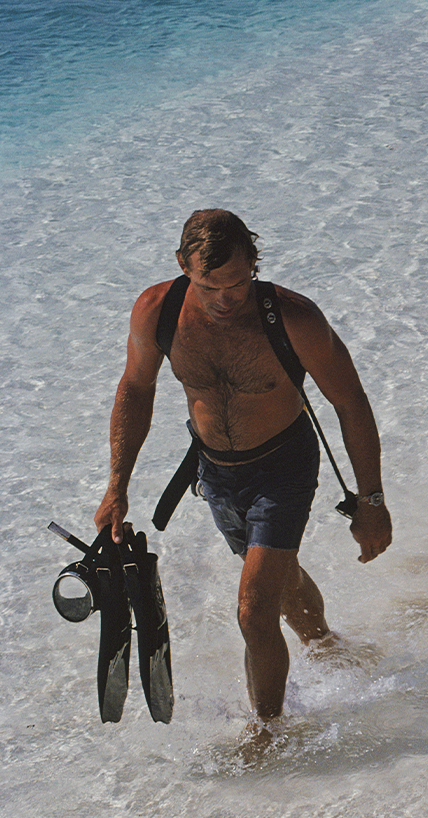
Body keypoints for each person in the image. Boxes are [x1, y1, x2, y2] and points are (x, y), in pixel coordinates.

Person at [94, 209, 392, 721]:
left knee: (254, 611)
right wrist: (116, 486)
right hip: (215, 473)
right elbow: (136, 389)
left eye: (237, 283)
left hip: (284, 467)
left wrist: (372, 502)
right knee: (279, 584)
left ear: (254, 262)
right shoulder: (156, 311)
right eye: (209, 286)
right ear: (184, 267)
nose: (225, 299)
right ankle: (326, 644)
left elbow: (351, 402)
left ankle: (268, 733)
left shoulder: (293, 318)